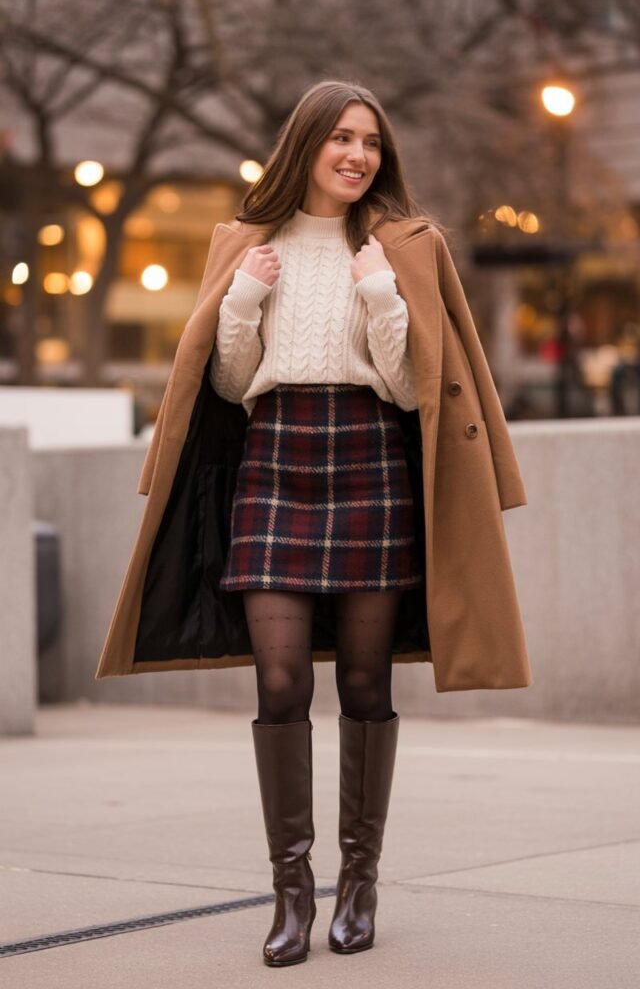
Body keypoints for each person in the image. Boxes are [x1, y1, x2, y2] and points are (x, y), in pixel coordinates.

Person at [208, 79, 437, 967]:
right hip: (275, 462)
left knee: (368, 685)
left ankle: (361, 883)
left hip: (369, 458)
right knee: (278, 685)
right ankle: (292, 894)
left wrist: (381, 291)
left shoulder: (396, 249)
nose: (358, 155)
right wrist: (239, 301)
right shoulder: (250, 245)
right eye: (341, 138)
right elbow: (230, 385)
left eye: (370, 142)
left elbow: (416, 390)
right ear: (304, 146)